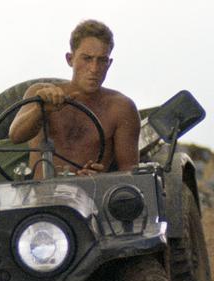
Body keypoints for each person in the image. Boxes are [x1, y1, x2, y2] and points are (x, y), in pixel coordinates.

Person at [8, 20, 141, 177]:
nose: (94, 69)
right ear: (70, 59)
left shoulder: (121, 108)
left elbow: (131, 174)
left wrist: (101, 178)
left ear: (109, 63)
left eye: (102, 60)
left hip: (92, 196)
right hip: (40, 196)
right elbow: (16, 136)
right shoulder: (40, 93)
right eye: (87, 59)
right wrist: (40, 109)